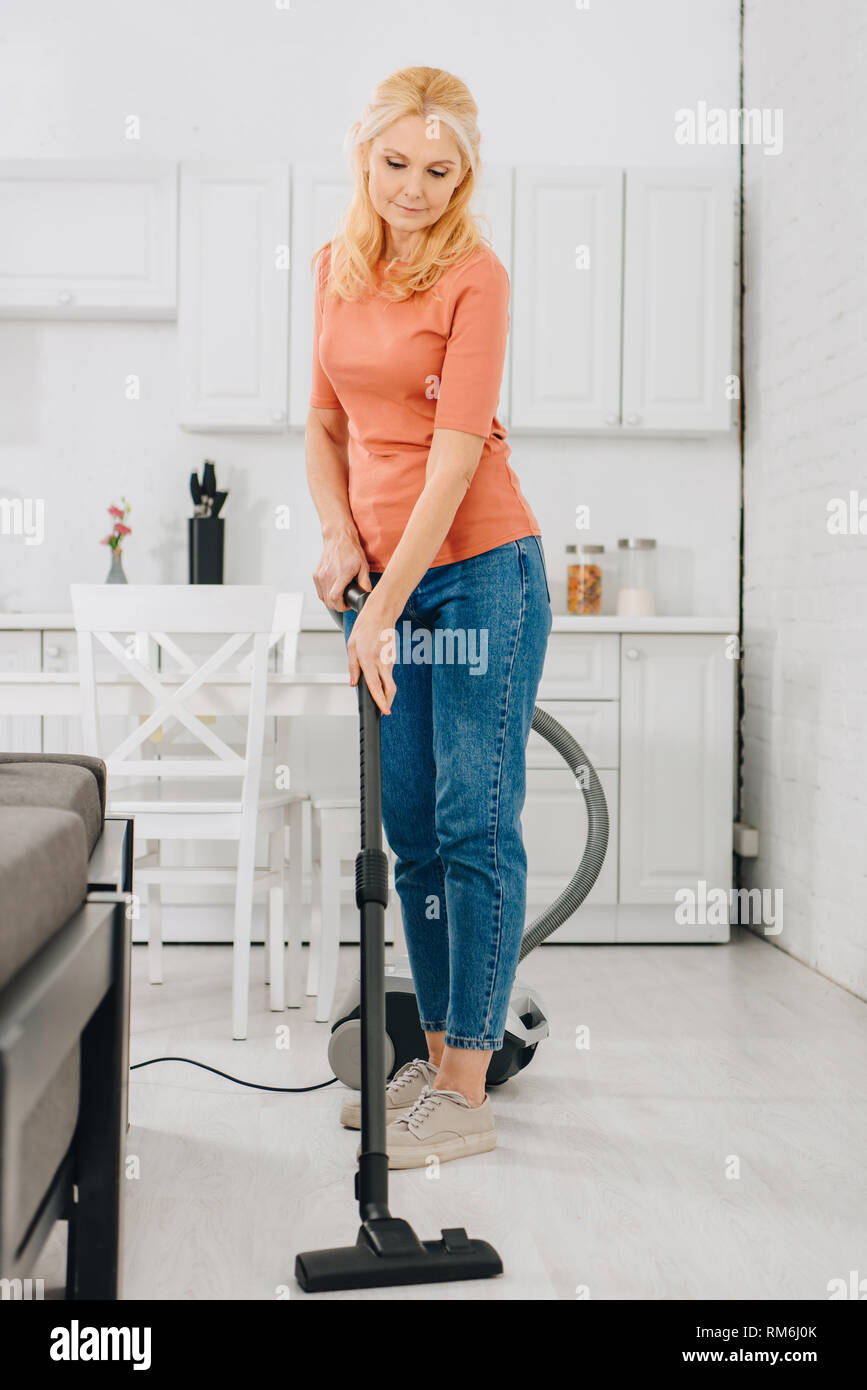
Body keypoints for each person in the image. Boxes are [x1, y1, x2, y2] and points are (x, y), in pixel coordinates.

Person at [307, 65, 552, 1169]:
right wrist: (335, 538)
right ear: (365, 156)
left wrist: (385, 602)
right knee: (411, 831)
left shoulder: (477, 276)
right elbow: (321, 424)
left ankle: (464, 1080)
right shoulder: (335, 267)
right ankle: (445, 1059)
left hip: (480, 570)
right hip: (385, 581)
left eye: (439, 170)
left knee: (473, 824)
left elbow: (455, 459)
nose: (415, 187)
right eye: (397, 163)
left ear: (467, 175)